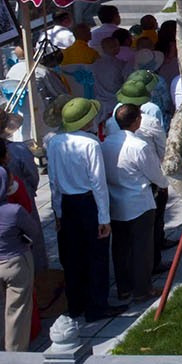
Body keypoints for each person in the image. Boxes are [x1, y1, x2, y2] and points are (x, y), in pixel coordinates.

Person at [47, 97, 125, 322]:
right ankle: (97, 306)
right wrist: (104, 218)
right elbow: (98, 183)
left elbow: (53, 181)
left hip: (67, 204)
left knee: (73, 256)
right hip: (88, 203)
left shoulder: (54, 142)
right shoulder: (90, 144)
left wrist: (58, 212)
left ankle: (76, 304)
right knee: (96, 257)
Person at [102, 104, 165, 304]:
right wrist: (164, 184)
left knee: (120, 247)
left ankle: (124, 288)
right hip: (139, 202)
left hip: (115, 201)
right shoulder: (139, 146)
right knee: (141, 248)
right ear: (137, 120)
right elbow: (154, 173)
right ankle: (142, 289)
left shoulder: (105, 144)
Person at [0, 144, 39, 351]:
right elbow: (33, 231)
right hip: (15, 261)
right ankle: (15, 354)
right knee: (17, 311)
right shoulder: (13, 211)